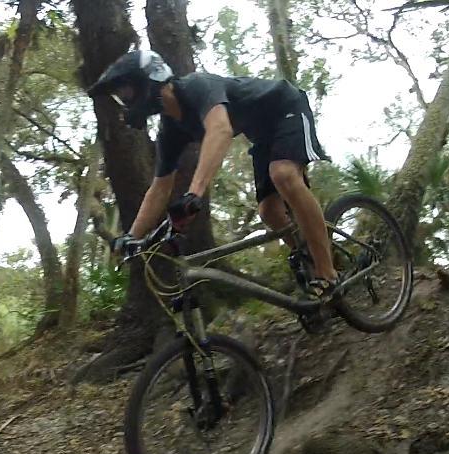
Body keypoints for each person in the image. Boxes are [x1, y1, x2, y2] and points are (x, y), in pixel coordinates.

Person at [88, 50, 338, 299]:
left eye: (126, 91)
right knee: (269, 213)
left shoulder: (197, 86)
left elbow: (220, 129)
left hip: (287, 107)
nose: (123, 100)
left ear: (148, 79)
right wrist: (132, 236)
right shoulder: (170, 130)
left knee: (283, 174)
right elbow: (160, 187)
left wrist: (194, 193)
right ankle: (309, 253)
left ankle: (327, 273)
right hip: (262, 136)